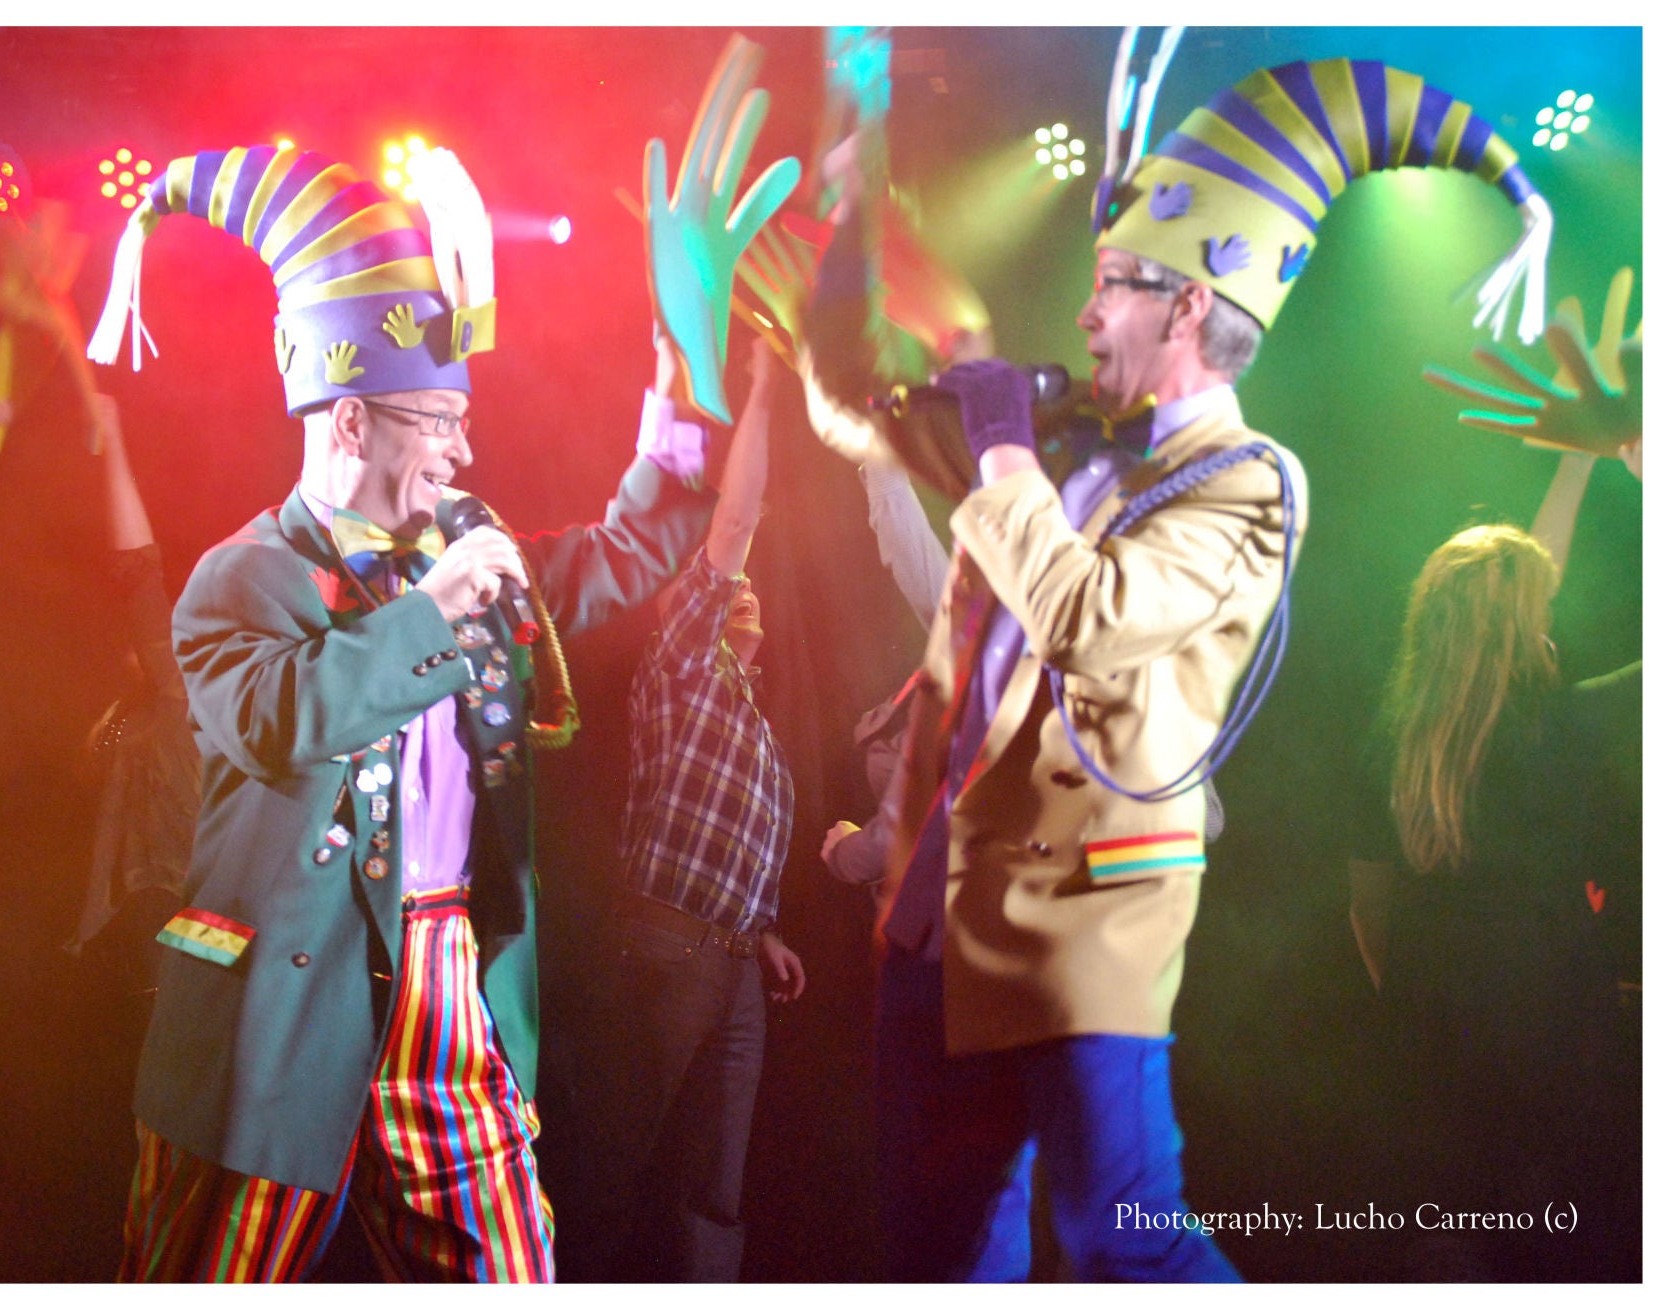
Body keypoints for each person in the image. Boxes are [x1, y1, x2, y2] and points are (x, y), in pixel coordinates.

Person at [800, 44, 1544, 1283]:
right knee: (939, 1256)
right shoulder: (1062, 435)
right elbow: (849, 405)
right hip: (935, 924)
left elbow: (1085, 616)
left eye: (1110, 286)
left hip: (1079, 927)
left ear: (1187, 307)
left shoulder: (1248, 484)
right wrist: (852, 205)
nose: (1083, 311)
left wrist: (999, 447)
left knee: (1123, 1240)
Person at [91, 144, 716, 1283]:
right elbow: (285, 719)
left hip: (449, 988)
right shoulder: (240, 577)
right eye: (435, 419)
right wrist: (432, 610)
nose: (462, 449)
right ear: (348, 421)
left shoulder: (457, 557)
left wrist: (683, 388)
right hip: (278, 1018)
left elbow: (627, 553)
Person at [1348, 282, 1642, 1281]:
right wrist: (1630, 458)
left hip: (1429, 1046)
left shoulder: (1394, 739)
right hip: (1556, 1043)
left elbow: (1367, 913)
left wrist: (1574, 464)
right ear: (1524, 630)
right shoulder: (1565, 727)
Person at [560, 339, 800, 1283]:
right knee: (612, 1161)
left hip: (732, 964)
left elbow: (734, 837)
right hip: (666, 948)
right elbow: (733, 523)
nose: (742, 592)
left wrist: (762, 928)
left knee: (713, 1189)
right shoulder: (684, 663)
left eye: (745, 592)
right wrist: (765, 390)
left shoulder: (753, 719)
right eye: (723, 588)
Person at [67, 392, 198, 981]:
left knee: (185, 1019)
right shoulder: (134, 712)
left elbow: (139, 573)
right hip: (133, 911)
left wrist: (115, 442)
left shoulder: (187, 694)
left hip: (184, 905)